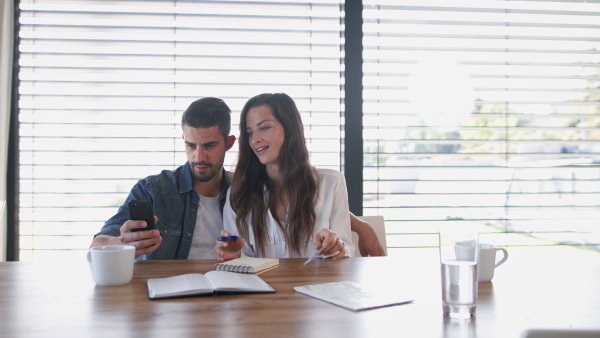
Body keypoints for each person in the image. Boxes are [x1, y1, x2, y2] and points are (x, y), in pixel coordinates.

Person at [91, 97, 384, 259]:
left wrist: (360, 227)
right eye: (190, 146)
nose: (198, 157)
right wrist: (121, 243)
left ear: (229, 143)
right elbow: (96, 246)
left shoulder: (241, 189)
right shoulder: (154, 189)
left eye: (209, 146)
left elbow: (308, 205)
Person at [216, 93, 357, 262]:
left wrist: (337, 247)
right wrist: (235, 255)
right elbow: (242, 258)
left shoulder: (332, 183)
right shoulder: (238, 193)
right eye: (249, 132)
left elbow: (347, 251)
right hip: (263, 287)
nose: (255, 140)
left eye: (264, 128)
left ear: (290, 127)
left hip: (317, 287)